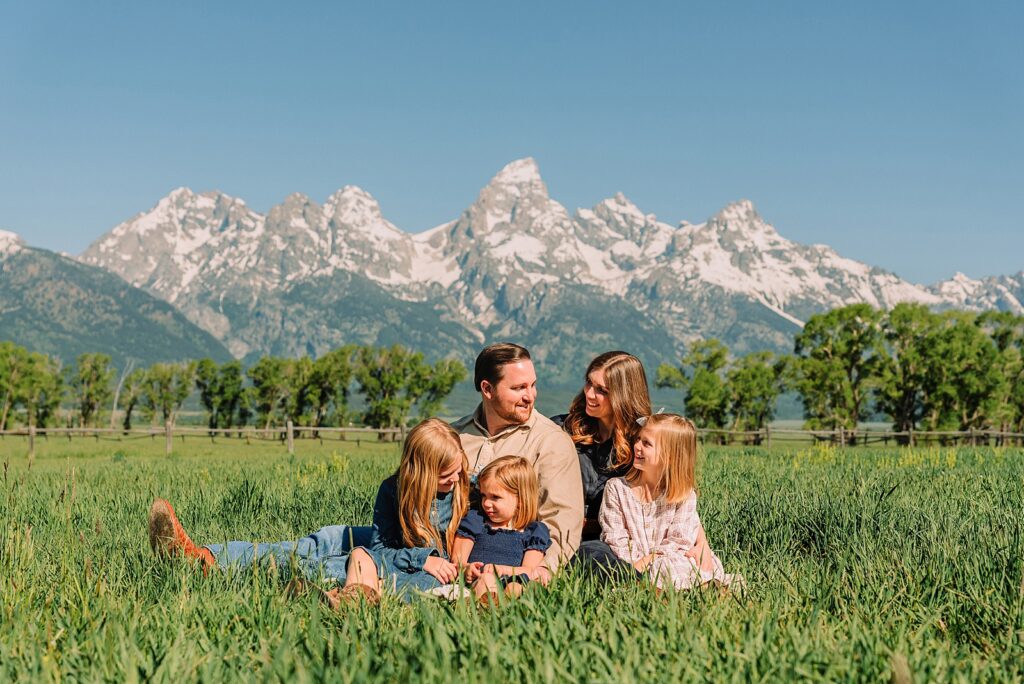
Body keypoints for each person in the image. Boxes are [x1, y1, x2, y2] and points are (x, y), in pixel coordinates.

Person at [148, 418, 469, 604]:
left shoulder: (466, 491)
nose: (455, 480)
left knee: (335, 563)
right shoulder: (394, 490)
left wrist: (422, 560)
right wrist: (419, 557)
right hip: (399, 552)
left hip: (408, 565)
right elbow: (385, 546)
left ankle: (272, 578)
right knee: (326, 538)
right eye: (446, 476)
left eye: (459, 471)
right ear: (421, 475)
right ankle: (206, 556)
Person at [554, 351, 712, 573]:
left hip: (605, 539)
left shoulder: (642, 441)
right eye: (589, 383)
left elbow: (675, 489)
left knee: (597, 556)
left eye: (602, 391)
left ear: (623, 394)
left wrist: (701, 542)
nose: (590, 393)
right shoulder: (563, 429)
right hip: (558, 529)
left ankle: (637, 583)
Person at [451, 343, 583, 576]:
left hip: (511, 565)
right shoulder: (454, 436)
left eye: (532, 385)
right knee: (363, 542)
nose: (529, 396)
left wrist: (537, 573)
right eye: (519, 387)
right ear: (487, 389)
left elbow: (561, 524)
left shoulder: (551, 442)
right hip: (448, 558)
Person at [599, 413, 740, 591]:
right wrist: (638, 564)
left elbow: (680, 539)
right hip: (633, 562)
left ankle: (702, 589)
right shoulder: (617, 489)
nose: (637, 446)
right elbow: (615, 537)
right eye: (638, 439)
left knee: (682, 565)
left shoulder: (684, 495)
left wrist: (652, 558)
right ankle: (686, 591)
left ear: (670, 456)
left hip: (672, 558)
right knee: (639, 572)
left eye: (646, 443)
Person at [451, 456, 551, 604]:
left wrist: (503, 570)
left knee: (517, 586)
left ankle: (512, 608)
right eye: (484, 495)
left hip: (513, 580)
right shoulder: (476, 521)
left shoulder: (533, 532)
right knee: (487, 579)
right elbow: (457, 559)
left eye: (495, 497)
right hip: (481, 579)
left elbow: (529, 570)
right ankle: (489, 607)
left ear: (520, 501)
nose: (486, 503)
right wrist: (467, 569)